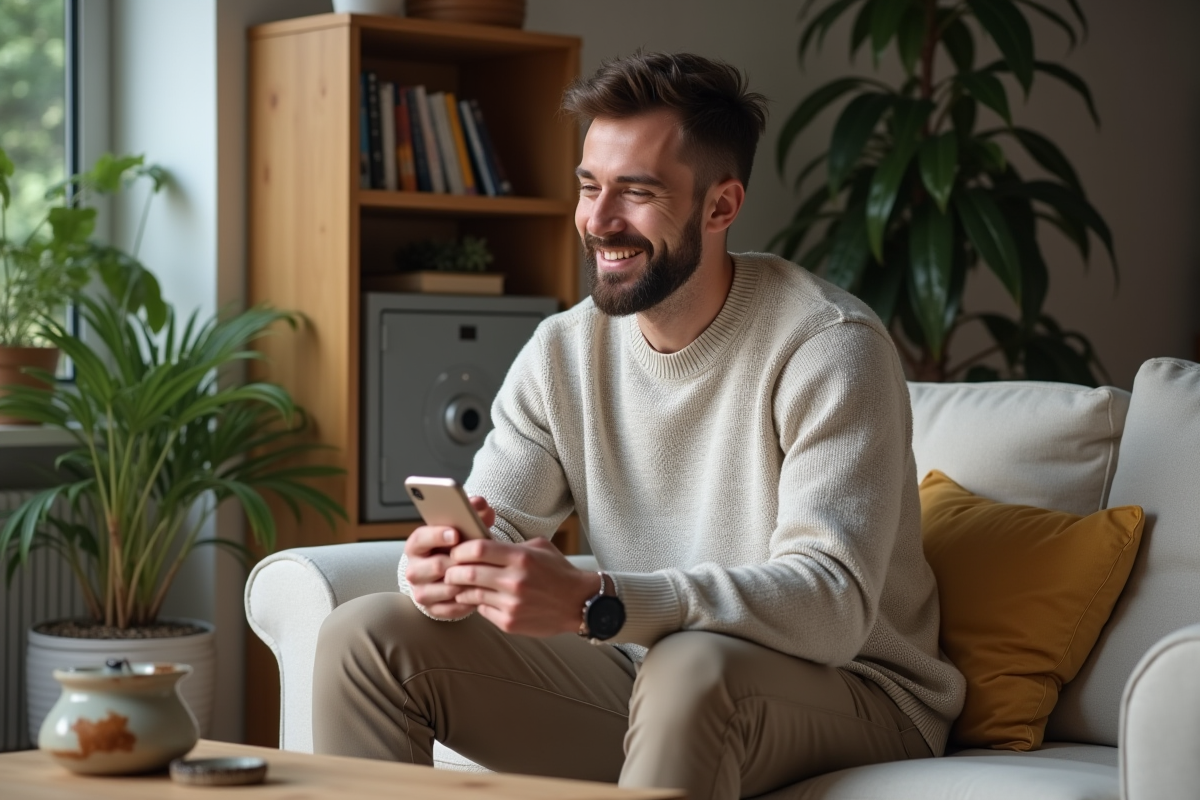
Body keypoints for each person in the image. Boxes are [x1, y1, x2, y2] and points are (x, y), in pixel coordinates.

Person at [312, 51, 965, 799]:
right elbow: (495, 516)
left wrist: (600, 600)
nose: (598, 219)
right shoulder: (564, 350)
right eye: (590, 186)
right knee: (364, 637)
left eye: (637, 192)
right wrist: (442, 570)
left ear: (721, 207)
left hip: (860, 692)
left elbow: (831, 607)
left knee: (689, 664)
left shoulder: (828, 345)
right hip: (654, 675)